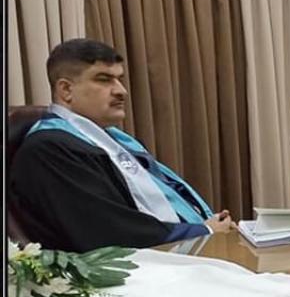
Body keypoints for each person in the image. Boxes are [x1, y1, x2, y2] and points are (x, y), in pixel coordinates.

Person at [9, 39, 232, 253]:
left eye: (119, 79)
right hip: (132, 271)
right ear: (66, 90)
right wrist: (203, 231)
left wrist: (207, 225)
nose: (121, 91)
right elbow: (107, 230)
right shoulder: (49, 150)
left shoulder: (115, 140)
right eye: (104, 79)